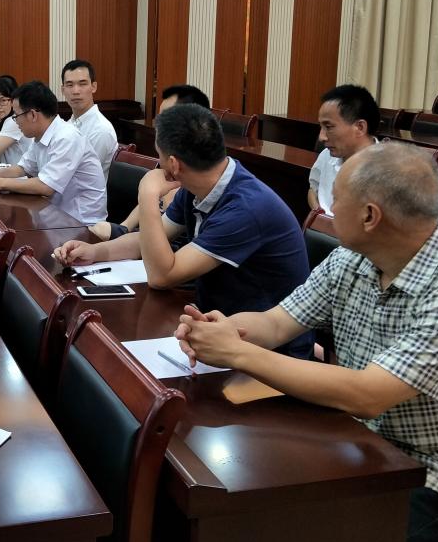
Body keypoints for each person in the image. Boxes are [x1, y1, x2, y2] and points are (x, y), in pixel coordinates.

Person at [174, 142, 438, 542]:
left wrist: (238, 353)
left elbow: (367, 395)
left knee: (283, 537)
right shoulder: (354, 259)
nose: (328, 207)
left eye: (337, 199)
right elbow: (277, 323)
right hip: (366, 444)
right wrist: (223, 330)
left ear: (370, 216)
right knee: (234, 501)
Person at [55, 103, 314, 358]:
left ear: (174, 165)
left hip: (269, 351)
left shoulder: (246, 208)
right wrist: (95, 252)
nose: (158, 164)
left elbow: (162, 276)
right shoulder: (200, 185)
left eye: (158, 155)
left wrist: (147, 195)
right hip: (215, 327)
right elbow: (148, 240)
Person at [89, 84, 210, 241]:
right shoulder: (167, 166)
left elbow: (161, 244)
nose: (158, 127)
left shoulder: (197, 180)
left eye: (165, 120)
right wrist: (121, 230)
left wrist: (149, 195)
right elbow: (134, 232)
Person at [0, 80, 107, 224]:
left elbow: (46, 186)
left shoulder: (67, 138)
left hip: (81, 223)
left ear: (33, 115)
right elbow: (23, 168)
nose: (15, 121)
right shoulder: (41, 135)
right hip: (54, 214)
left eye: (16, 115)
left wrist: (1, 183)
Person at [309, 84, 379, 216]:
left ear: (360, 127)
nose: (321, 137)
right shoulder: (327, 155)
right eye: (321, 127)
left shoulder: (387, 171)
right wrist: (319, 215)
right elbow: (314, 189)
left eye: (329, 127)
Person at [61, 59, 118, 178]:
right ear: (63, 90)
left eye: (82, 84)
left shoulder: (101, 129)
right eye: (70, 85)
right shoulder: (68, 124)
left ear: (93, 87)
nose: (76, 91)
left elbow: (80, 176)